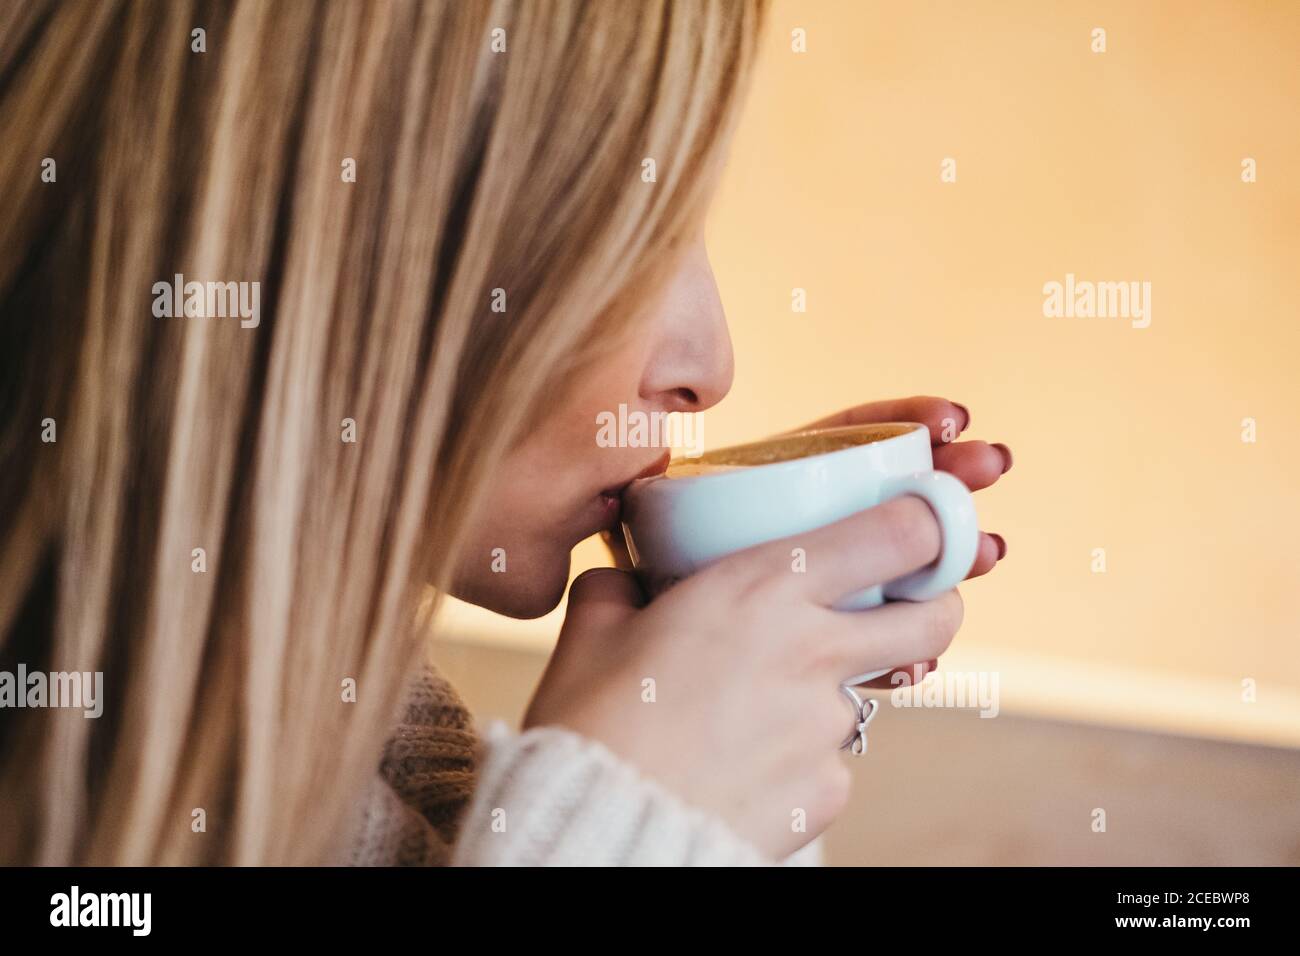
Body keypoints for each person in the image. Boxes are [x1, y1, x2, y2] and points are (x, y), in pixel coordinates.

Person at [0, 0, 1012, 865]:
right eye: (636, 233)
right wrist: (629, 823)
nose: (711, 366)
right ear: (337, 249)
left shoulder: (361, 758)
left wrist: (724, 756)